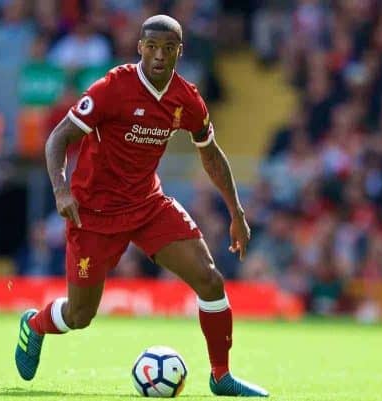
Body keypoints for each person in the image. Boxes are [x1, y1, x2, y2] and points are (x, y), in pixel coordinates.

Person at [14, 15, 269, 397]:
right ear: (140, 48)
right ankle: (35, 326)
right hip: (94, 214)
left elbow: (211, 154)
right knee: (80, 316)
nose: (159, 56)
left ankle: (221, 376)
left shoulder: (187, 99)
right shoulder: (112, 88)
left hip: (148, 205)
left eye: (168, 48)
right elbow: (58, 138)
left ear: (179, 52)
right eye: (152, 47)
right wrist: (61, 190)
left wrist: (237, 212)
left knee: (210, 280)